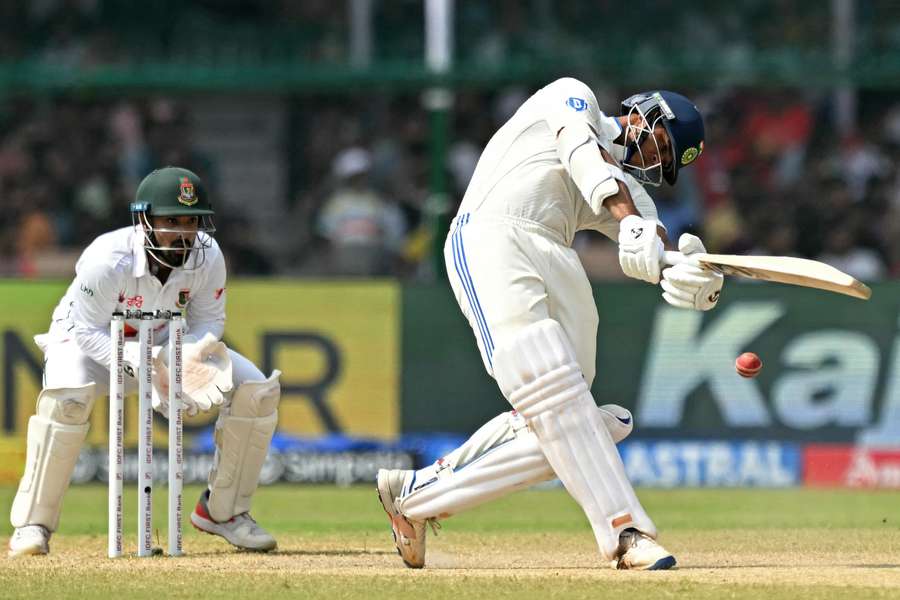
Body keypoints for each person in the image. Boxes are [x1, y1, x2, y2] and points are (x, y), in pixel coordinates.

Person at [377, 78, 723, 570]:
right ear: (645, 113)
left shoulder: (626, 193)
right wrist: (631, 224)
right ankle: (625, 532)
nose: (652, 157)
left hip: (555, 254)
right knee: (551, 384)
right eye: (661, 142)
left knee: (589, 417)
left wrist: (690, 272)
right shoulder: (570, 97)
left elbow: (652, 243)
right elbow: (587, 156)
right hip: (492, 233)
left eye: (664, 162)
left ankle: (413, 495)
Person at [8, 167, 281, 557]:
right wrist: (136, 360)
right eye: (171, 221)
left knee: (257, 391)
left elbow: (209, 322)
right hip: (89, 345)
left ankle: (224, 513)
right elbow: (84, 328)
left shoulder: (208, 257)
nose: (183, 233)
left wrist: (184, 359)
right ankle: (33, 525)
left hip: (164, 344)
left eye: (191, 222)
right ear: (145, 220)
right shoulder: (108, 258)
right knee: (66, 401)